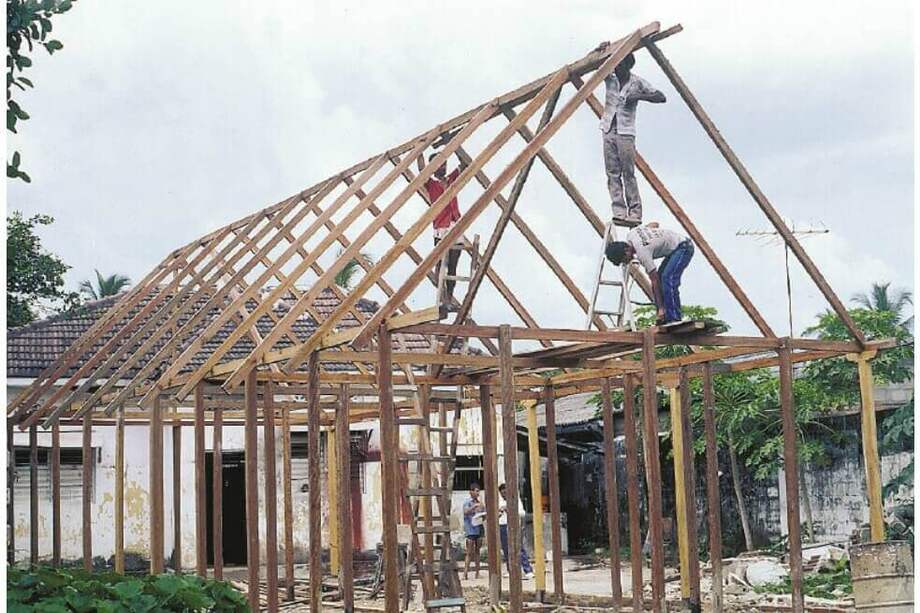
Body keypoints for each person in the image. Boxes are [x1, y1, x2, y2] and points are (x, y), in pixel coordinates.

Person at [594, 46, 666, 225]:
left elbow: (661, 96)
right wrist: (598, 52)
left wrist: (639, 96)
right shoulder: (609, 78)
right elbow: (593, 67)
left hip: (626, 132)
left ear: (628, 66)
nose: (617, 69)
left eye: (621, 66)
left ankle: (634, 212)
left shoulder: (636, 82)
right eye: (616, 65)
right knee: (612, 172)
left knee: (628, 172)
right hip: (608, 128)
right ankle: (619, 210)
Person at [605, 223, 694, 325]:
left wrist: (660, 308)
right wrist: (654, 236)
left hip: (684, 247)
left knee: (667, 278)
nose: (625, 262)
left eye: (623, 259)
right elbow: (654, 224)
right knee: (662, 278)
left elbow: (654, 281)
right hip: (676, 246)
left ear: (626, 250)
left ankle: (674, 318)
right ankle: (665, 316)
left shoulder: (643, 254)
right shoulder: (632, 234)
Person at [419, 152, 464, 311]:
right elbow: (421, 171)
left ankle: (449, 300)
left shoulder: (451, 179)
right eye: (439, 164)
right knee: (441, 264)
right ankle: (442, 299)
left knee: (453, 266)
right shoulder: (431, 184)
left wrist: (456, 145)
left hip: (454, 224)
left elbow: (465, 163)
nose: (443, 166)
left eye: (444, 163)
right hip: (441, 227)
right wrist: (420, 153)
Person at [497, 483, 534, 580]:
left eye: (505, 492)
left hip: (513, 525)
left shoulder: (515, 500)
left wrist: (510, 509)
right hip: (502, 525)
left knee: (519, 548)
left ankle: (528, 570)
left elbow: (522, 513)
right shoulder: (499, 502)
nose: (504, 495)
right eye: (502, 493)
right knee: (506, 549)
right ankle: (511, 570)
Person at [462, 483, 485, 579]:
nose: (477, 493)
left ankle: (477, 572)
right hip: (470, 530)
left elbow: (483, 516)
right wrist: (474, 507)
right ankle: (465, 573)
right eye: (476, 491)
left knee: (477, 551)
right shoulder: (467, 502)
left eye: (478, 491)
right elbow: (465, 512)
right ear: (471, 492)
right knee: (469, 552)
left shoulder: (480, 503)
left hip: (479, 528)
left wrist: (482, 515)